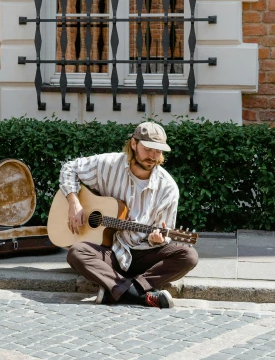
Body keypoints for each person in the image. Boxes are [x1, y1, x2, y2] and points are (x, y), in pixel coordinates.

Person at [61, 122, 198, 309]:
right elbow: (69, 168)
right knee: (76, 252)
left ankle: (119, 290)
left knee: (188, 256)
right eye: (148, 149)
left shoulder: (168, 188)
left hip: (145, 255)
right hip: (112, 252)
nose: (153, 156)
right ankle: (140, 295)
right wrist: (74, 202)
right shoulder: (109, 165)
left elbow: (163, 234)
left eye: (158, 151)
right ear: (133, 144)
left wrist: (156, 240)